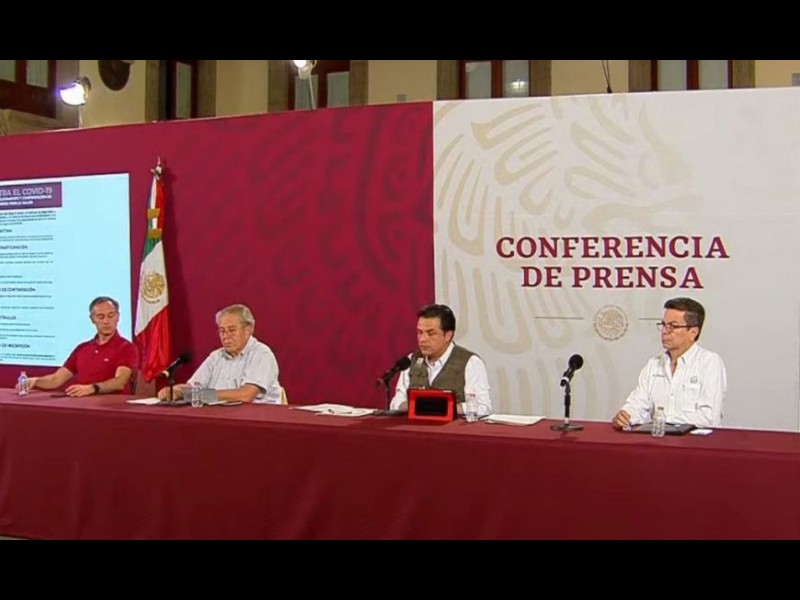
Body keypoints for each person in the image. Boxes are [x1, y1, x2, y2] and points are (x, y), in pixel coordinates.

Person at [612, 297, 727, 430]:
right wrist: (626, 416)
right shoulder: (654, 364)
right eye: (663, 325)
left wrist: (662, 418)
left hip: (695, 441)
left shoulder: (709, 363)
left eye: (673, 326)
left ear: (693, 333)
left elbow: (709, 417)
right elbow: (638, 403)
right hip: (658, 439)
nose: (665, 331)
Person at [157, 303, 282, 404]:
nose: (225, 336)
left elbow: (246, 395)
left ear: (248, 330)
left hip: (255, 420)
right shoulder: (216, 357)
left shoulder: (261, 354)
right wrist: (176, 391)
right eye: (222, 331)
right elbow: (192, 387)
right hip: (220, 417)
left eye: (231, 330)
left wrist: (200, 395)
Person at [17, 296, 139, 397]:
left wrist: (92, 388)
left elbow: (119, 382)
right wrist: (35, 381)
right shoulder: (82, 348)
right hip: (82, 406)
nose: (106, 321)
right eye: (101, 317)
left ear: (118, 317)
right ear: (92, 319)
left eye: (111, 316)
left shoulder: (126, 348)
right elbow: (56, 379)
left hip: (111, 408)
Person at [390, 303, 492, 416]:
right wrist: (419, 406)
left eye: (431, 333)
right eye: (420, 332)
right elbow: (396, 403)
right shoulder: (411, 360)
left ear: (448, 335)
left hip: (452, 426)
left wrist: (444, 407)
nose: (422, 339)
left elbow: (483, 407)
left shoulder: (470, 362)